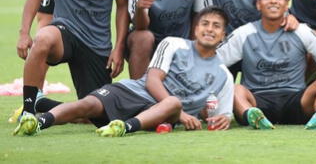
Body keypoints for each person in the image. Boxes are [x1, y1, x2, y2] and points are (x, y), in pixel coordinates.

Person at [14, 7, 234, 136]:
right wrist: (184, 114)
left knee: (173, 104)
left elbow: (222, 115)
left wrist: (219, 119)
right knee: (87, 105)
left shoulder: (224, 75)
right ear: (196, 28)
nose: (209, 29)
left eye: (216, 26)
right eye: (205, 23)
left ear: (224, 35)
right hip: (135, 92)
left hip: (163, 114)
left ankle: (123, 128)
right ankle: (39, 121)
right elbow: (153, 81)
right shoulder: (174, 44)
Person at [216, 0, 316, 129]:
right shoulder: (243, 34)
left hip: (295, 100)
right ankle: (252, 117)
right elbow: (213, 62)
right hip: (258, 101)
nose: (273, 1)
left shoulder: (302, 31)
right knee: (237, 89)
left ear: (286, 4)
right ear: (258, 4)